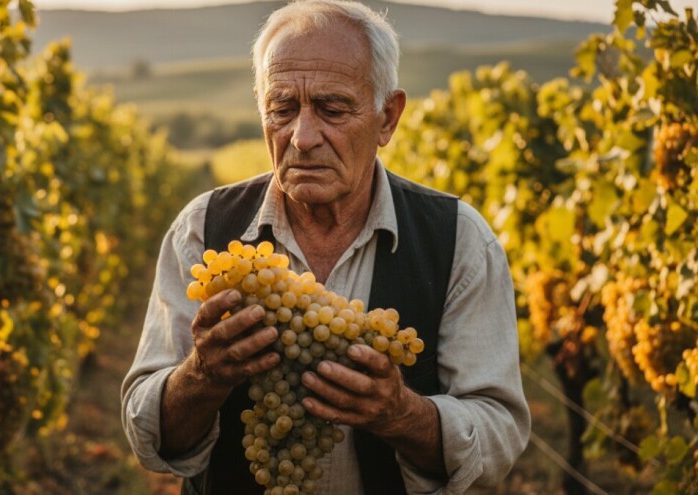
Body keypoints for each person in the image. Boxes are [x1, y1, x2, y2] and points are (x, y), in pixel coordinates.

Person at [121, 1, 530, 493]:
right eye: (282, 109)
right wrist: (202, 377)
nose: (303, 137)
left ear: (387, 118)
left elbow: (498, 440)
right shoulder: (201, 230)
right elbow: (146, 432)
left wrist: (403, 415)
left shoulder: (460, 240)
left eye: (332, 109)